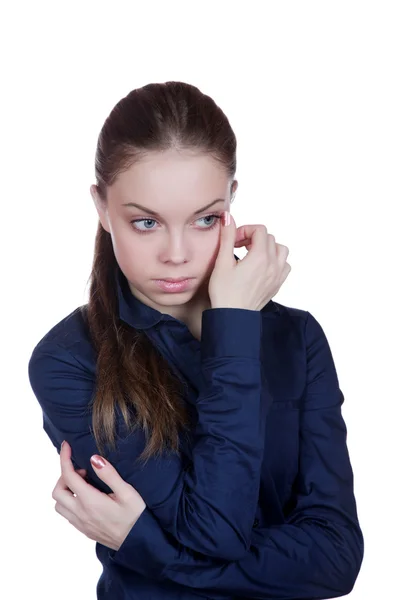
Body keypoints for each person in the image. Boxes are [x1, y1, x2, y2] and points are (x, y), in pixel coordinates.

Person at [28, 81, 364, 599]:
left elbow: (337, 558)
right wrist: (232, 329)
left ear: (231, 201)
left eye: (206, 219)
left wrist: (146, 546)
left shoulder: (298, 337)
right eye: (145, 223)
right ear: (101, 207)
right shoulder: (70, 360)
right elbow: (216, 531)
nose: (177, 253)